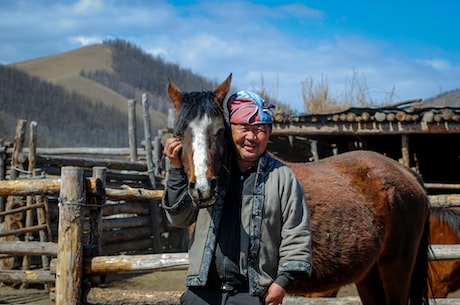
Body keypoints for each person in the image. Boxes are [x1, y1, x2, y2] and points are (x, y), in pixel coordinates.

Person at [162, 90, 312, 305]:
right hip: (204, 293)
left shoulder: (283, 178)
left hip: (251, 295)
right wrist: (177, 169)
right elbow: (179, 219)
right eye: (244, 129)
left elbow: (297, 233)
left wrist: (282, 282)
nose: (251, 137)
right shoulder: (211, 175)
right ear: (230, 131)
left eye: (259, 129)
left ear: (269, 133)